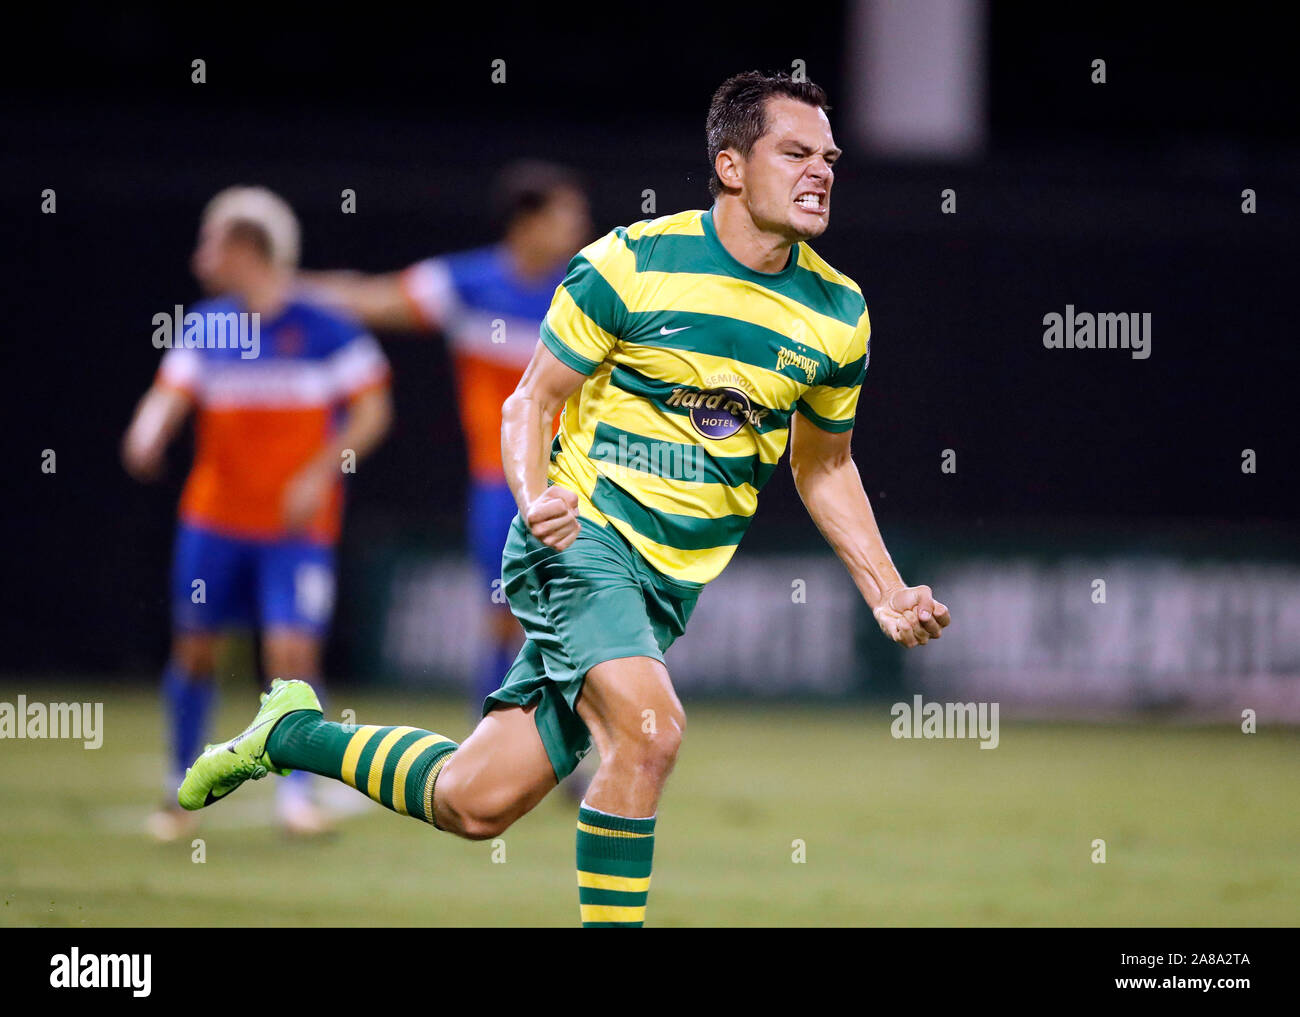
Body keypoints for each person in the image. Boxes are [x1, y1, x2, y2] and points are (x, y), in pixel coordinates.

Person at [177, 72, 949, 927]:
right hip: (580, 542)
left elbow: (824, 465)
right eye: (796, 152)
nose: (822, 171)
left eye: (830, 156)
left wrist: (887, 589)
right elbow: (530, 402)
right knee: (652, 732)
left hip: (665, 587)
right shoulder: (633, 263)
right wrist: (535, 496)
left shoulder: (838, 313)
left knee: (476, 801)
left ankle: (289, 730)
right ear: (730, 166)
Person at [123, 187, 393, 839]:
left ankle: (297, 796)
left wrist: (320, 470)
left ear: (247, 249)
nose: (201, 258)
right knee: (194, 651)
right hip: (213, 523)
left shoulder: (324, 327)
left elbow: (372, 410)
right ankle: (178, 784)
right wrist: (147, 432)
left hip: (296, 532)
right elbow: (169, 393)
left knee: (291, 654)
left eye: (213, 242)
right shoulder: (211, 324)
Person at [302, 162, 590, 723]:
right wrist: (284, 285)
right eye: (565, 215)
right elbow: (370, 298)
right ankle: (494, 741)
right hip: (499, 483)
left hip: (579, 484)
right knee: (506, 617)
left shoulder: (584, 289)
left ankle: (572, 754)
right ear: (527, 222)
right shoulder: (470, 285)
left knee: (576, 617)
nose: (578, 226)